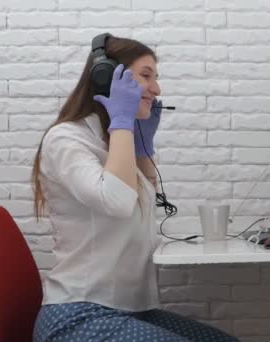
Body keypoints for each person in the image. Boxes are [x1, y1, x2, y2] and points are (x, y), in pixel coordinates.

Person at [31, 34, 239, 341]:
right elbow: (117, 202)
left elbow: (142, 202)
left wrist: (142, 147)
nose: (156, 89)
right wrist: (123, 124)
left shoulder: (113, 142)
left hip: (128, 310)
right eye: (146, 76)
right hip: (78, 313)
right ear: (106, 78)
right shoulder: (67, 139)